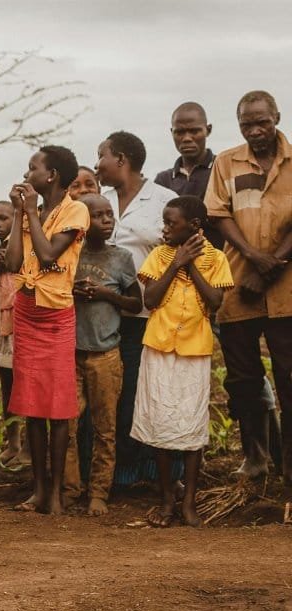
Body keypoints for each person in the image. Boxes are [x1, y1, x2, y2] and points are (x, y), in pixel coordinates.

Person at [205, 90, 292, 483]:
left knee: (289, 375)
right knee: (242, 380)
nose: (255, 130)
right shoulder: (226, 163)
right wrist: (254, 259)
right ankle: (256, 457)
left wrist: (272, 266)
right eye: (246, 125)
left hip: (287, 289)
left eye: (262, 122)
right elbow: (219, 215)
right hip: (238, 285)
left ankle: (289, 466)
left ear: (276, 116)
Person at [133, 197, 233, 526]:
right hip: (159, 348)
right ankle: (166, 500)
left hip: (195, 350)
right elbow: (150, 299)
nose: (164, 228)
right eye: (164, 221)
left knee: (191, 425)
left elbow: (215, 301)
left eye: (170, 223)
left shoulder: (216, 259)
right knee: (161, 423)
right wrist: (176, 263)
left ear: (194, 226)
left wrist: (190, 264)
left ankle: (188, 501)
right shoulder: (159, 255)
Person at [5, 145, 88, 516]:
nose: (26, 174)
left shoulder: (76, 210)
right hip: (26, 310)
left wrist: (31, 213)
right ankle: (38, 490)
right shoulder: (28, 211)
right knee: (32, 408)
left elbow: (49, 255)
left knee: (58, 408)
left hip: (55, 317)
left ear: (51, 175)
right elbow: (12, 261)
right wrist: (16, 215)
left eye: (32, 168)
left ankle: (55, 492)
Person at [94, 131, 178, 487]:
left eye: (102, 156)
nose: (97, 164)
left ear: (122, 159)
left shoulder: (163, 198)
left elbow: (179, 251)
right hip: (111, 318)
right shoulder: (102, 201)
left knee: (158, 392)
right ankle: (125, 473)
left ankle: (162, 473)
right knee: (123, 396)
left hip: (154, 316)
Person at [69, 194, 141, 516]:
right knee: (66, 426)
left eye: (110, 214)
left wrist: (105, 294)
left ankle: (99, 491)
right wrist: (73, 293)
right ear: (84, 222)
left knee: (105, 427)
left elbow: (136, 304)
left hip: (105, 354)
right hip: (70, 353)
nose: (107, 220)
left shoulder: (122, 258)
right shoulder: (70, 254)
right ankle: (69, 488)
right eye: (98, 216)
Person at [0, 200, 24, 466]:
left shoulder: (21, 246)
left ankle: (26, 446)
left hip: (21, 324)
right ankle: (13, 443)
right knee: (6, 383)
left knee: (24, 383)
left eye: (3, 219)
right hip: (2, 324)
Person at [156, 102, 218, 245]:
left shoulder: (221, 169)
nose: (186, 138)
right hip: (174, 259)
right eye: (179, 132)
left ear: (208, 130)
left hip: (217, 260)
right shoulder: (163, 180)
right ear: (172, 132)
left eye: (194, 131)